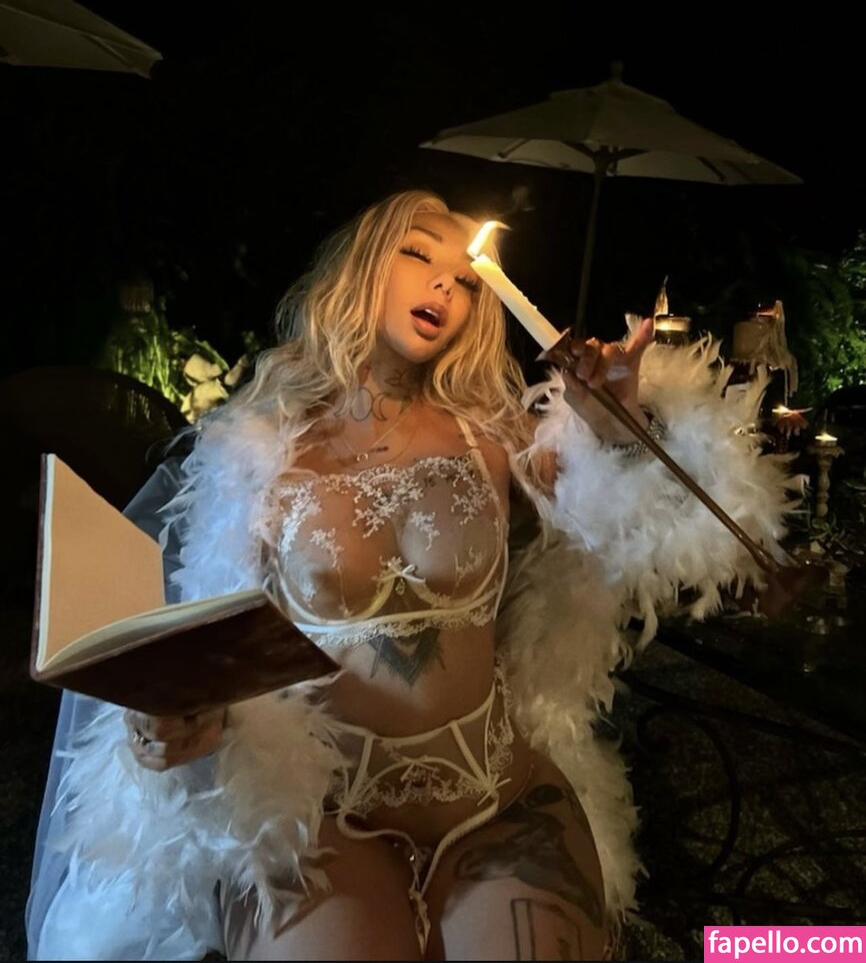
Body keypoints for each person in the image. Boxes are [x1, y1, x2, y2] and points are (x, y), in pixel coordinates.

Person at [27, 190, 799, 961]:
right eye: (418, 254)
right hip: (321, 817)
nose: (444, 286)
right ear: (362, 267)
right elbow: (206, 641)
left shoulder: (496, 432)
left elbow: (634, 530)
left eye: (465, 279)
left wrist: (617, 429)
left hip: (497, 800)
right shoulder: (255, 454)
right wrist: (179, 724)